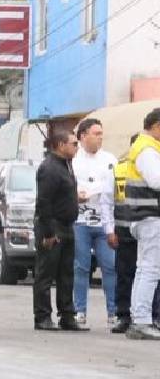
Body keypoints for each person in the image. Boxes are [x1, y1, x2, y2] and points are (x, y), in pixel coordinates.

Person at [33, 129, 88, 331]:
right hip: (52, 225)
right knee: (46, 273)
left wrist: (75, 199)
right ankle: (42, 317)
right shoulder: (49, 168)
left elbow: (61, 194)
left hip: (67, 225)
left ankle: (67, 315)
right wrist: (48, 234)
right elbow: (44, 202)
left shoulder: (67, 165)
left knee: (66, 274)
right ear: (60, 145)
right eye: (73, 143)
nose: (77, 147)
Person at [111, 132, 160, 333]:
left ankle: (139, 317)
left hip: (142, 218)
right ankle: (141, 320)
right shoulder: (147, 150)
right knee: (150, 270)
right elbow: (157, 181)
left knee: (144, 269)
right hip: (150, 218)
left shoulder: (143, 148)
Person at [71, 118, 118, 327]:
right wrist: (76, 195)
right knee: (81, 267)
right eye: (96, 133)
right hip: (79, 221)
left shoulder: (110, 160)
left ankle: (114, 312)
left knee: (110, 266)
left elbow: (115, 187)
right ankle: (79, 311)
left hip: (104, 222)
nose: (100, 137)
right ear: (83, 136)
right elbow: (66, 186)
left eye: (101, 134)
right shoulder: (72, 160)